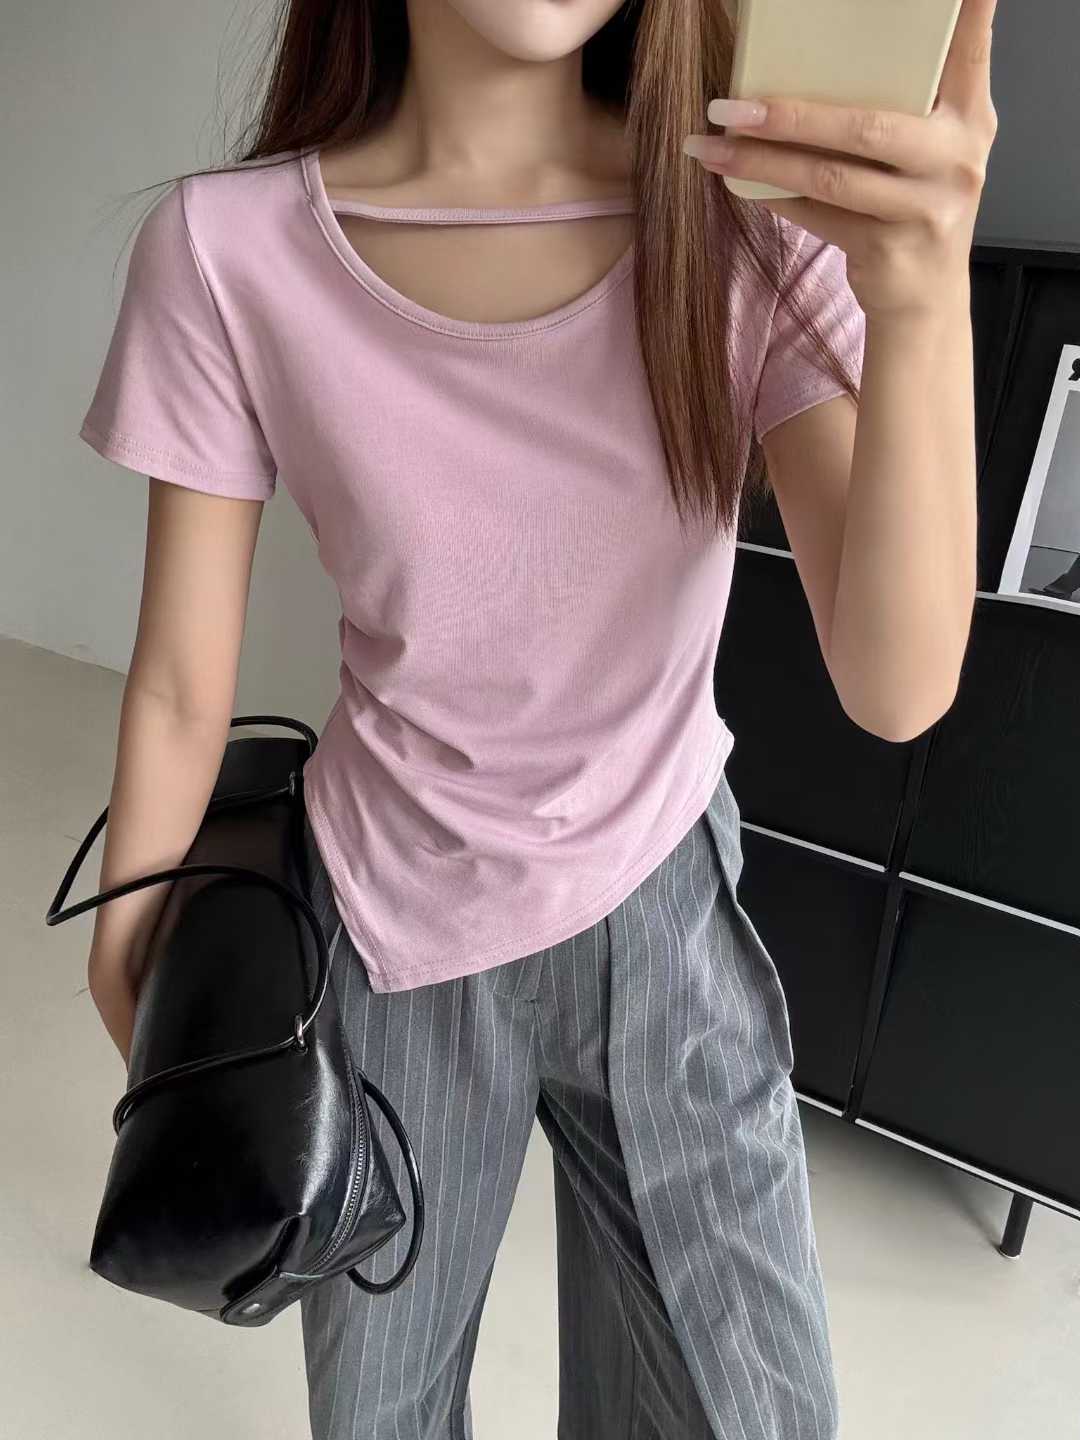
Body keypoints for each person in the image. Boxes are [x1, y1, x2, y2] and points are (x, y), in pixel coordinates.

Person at [77, 0, 998, 1435]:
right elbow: (183, 680)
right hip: (387, 922)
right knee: (381, 1411)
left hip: (660, 901)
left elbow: (899, 687)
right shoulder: (223, 250)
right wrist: (134, 930)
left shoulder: (747, 224)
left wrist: (923, 298)